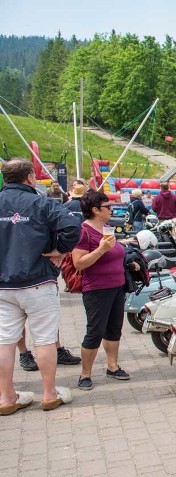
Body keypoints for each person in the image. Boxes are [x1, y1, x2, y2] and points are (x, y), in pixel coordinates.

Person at [0, 158, 79, 415]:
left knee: (4, 341)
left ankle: (7, 397)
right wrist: (59, 250)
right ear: (30, 177)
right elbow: (71, 226)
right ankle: (48, 393)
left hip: (3, 284)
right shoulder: (40, 202)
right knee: (44, 339)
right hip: (37, 280)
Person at [71, 190, 134, 390]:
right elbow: (79, 263)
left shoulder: (107, 228)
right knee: (95, 331)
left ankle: (112, 366)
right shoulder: (84, 231)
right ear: (95, 210)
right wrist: (101, 249)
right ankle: (85, 374)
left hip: (117, 286)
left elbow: (115, 254)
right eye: (107, 207)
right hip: (97, 289)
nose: (111, 209)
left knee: (114, 329)